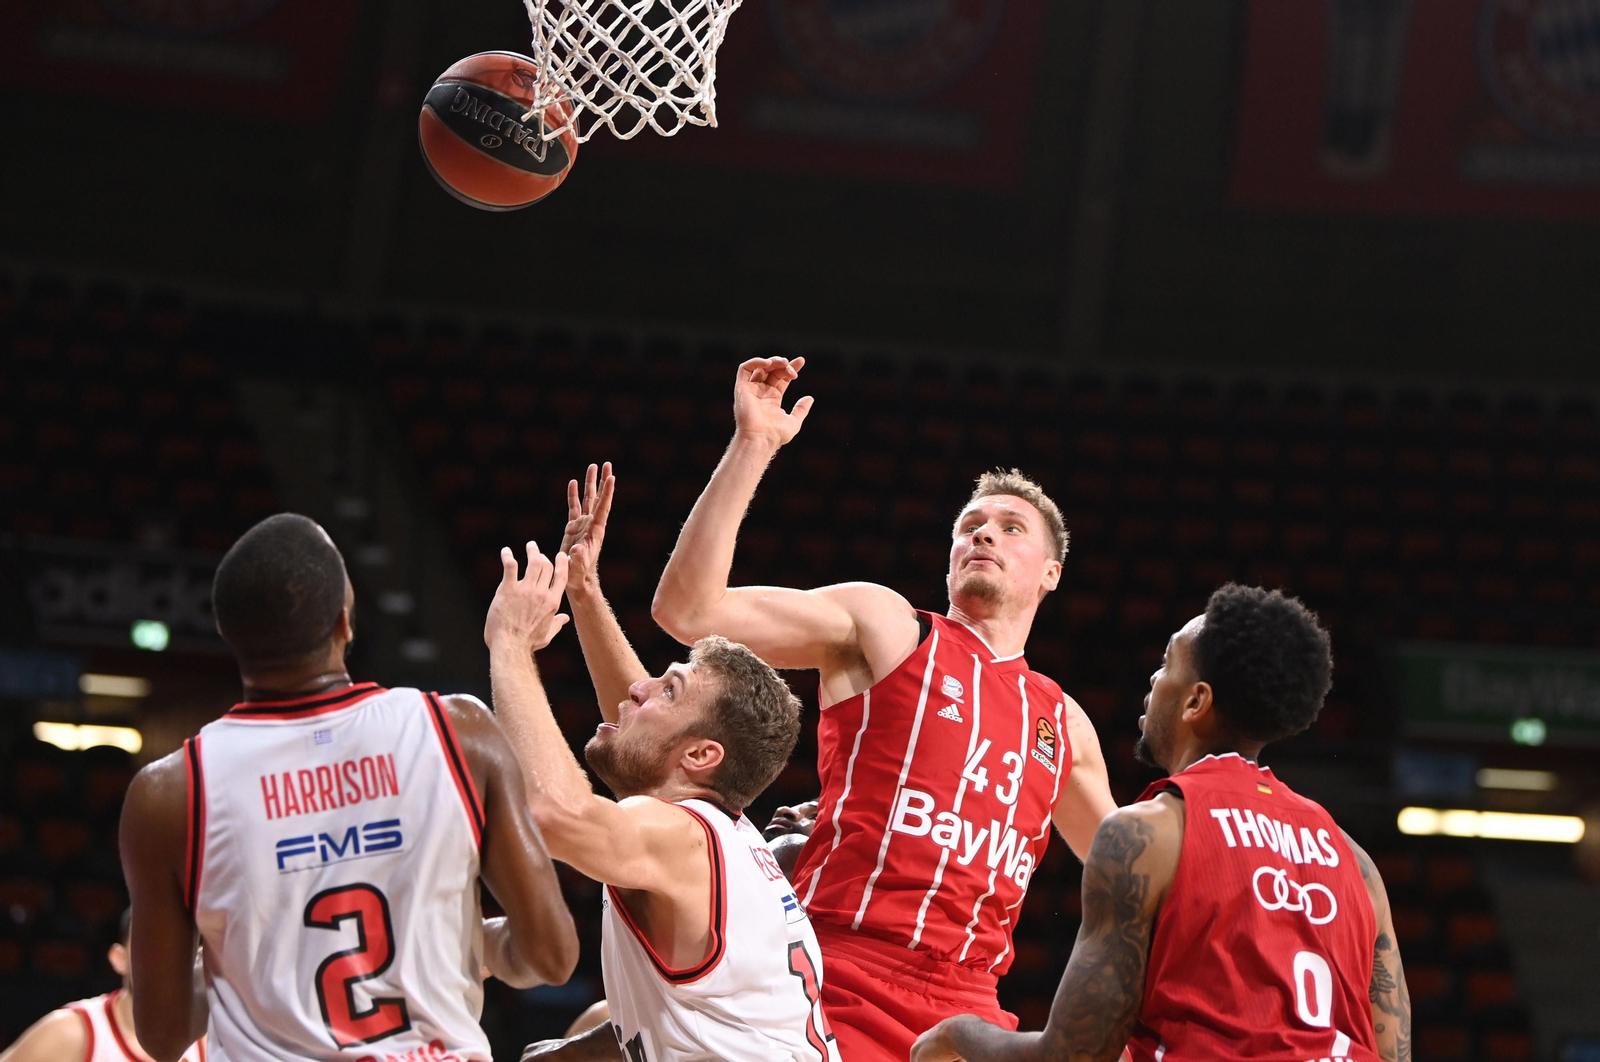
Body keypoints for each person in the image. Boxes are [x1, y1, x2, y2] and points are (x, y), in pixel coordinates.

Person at [651, 358, 1119, 1061]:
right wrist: (754, 445)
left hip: (969, 1010)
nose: (983, 535)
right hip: (837, 973)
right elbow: (687, 611)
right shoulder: (890, 626)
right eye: (971, 525)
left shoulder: (1063, 721)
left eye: (1011, 527)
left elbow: (1129, 874)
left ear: (1052, 572)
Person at [119, 513, 578, 1062]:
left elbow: (162, 1033)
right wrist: (481, 942)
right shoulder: (458, 732)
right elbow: (552, 956)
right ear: (344, 623)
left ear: (227, 633)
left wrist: (243, 950)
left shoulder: (169, 793)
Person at [910, 584, 1412, 1062]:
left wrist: (960, 1031)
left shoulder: (1145, 834)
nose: (1154, 679)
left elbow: (1073, 1054)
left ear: (1196, 701)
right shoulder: (1355, 860)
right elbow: (1393, 1051)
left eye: (1167, 663)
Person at [490, 467, 840, 1062]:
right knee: (594, 1021)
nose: (639, 690)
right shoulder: (717, 831)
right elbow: (647, 733)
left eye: (670, 690)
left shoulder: (683, 837)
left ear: (703, 756)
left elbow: (554, 811)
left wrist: (509, 646)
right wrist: (585, 591)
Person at [0, 910, 205, 1062]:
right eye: (152, 945)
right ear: (119, 958)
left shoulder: (215, 1043)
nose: (165, 958)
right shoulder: (71, 1033)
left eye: (180, 946)